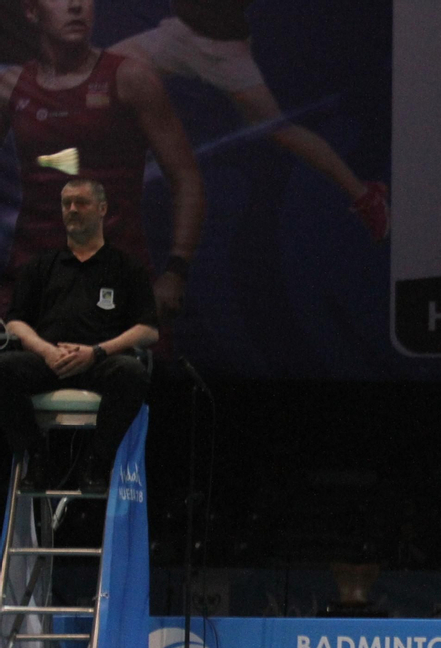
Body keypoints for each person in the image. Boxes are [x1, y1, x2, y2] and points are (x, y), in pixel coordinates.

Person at [112, 1, 389, 241]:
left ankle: (365, 196)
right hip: (179, 33)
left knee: (279, 130)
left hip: (222, 52)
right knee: (107, 71)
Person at [0, 0, 204, 317]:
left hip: (116, 284)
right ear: (31, 12)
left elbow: (185, 177)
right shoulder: (11, 86)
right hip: (31, 286)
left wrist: (175, 272)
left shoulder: (131, 79)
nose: (75, 6)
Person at [1, 177, 156, 492]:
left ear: (102, 209)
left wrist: (96, 352)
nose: (72, 209)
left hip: (99, 363)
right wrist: (46, 351)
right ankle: (35, 455)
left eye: (81, 203)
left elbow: (148, 330)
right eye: (66, 204)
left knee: (132, 372)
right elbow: (14, 322)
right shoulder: (40, 266)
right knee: (3, 368)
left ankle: (98, 462)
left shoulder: (126, 267)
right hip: (49, 362)